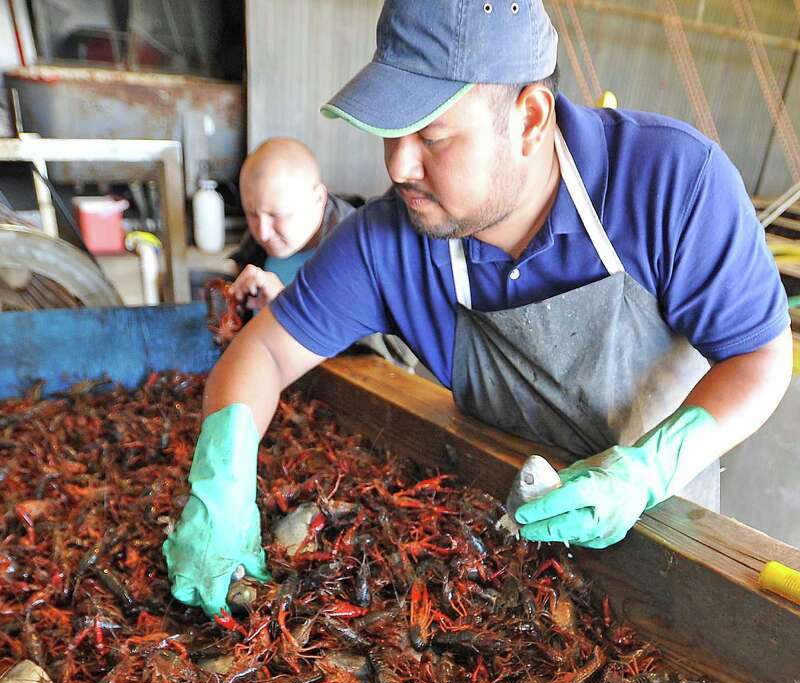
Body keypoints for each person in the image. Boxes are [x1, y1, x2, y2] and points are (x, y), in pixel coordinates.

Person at [164, 0, 793, 617]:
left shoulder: (671, 181)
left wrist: (649, 470)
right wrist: (221, 486)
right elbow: (265, 351)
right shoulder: (389, 242)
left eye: (430, 136)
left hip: (666, 541)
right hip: (489, 562)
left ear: (528, 117)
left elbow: (760, 356)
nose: (398, 164)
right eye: (390, 131)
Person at [227, 137, 357, 312]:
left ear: (318, 199)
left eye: (277, 215)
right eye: (252, 214)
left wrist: (285, 309)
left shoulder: (358, 256)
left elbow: (358, 336)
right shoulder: (260, 232)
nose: (263, 233)